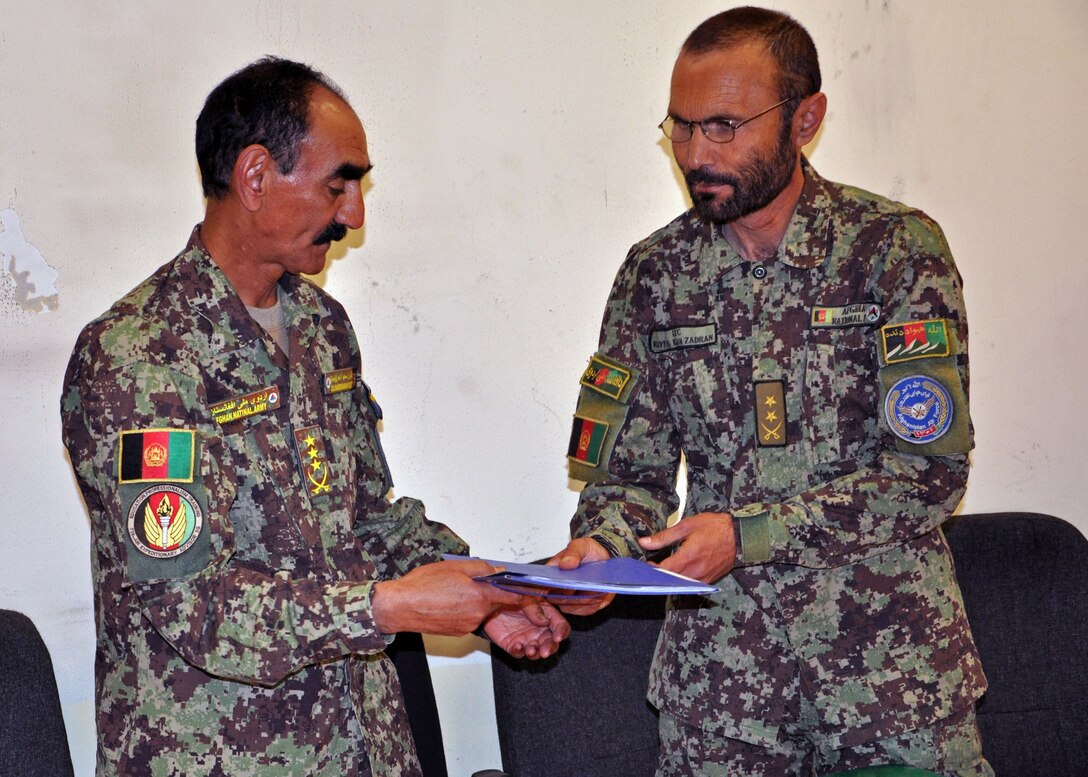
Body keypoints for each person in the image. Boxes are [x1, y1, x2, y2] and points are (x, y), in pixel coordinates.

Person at [61, 57, 568, 776]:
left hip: (365, 745)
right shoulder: (139, 355)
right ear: (257, 175)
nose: (354, 212)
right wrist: (393, 607)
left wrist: (485, 591)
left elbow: (366, 517)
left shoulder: (322, 327)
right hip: (223, 757)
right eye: (340, 182)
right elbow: (193, 604)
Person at [554, 7, 991, 775]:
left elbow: (926, 475)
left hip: (890, 686)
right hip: (724, 698)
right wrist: (602, 546)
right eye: (681, 127)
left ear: (806, 118)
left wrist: (747, 535)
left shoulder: (892, 250)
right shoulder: (655, 275)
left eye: (724, 125)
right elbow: (630, 476)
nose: (697, 153)